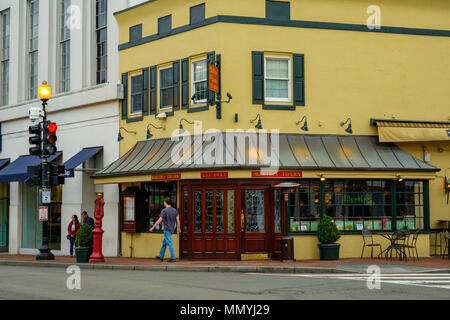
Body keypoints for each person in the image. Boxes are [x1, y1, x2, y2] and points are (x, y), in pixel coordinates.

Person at [150, 197, 180, 263]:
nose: (163, 203)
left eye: (164, 202)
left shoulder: (164, 210)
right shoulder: (175, 210)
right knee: (164, 243)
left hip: (167, 229)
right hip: (172, 229)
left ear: (165, 202)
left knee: (169, 243)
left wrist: (152, 227)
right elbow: (178, 220)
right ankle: (161, 256)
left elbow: (159, 221)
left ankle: (173, 257)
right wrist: (179, 228)